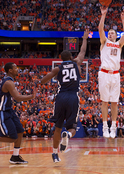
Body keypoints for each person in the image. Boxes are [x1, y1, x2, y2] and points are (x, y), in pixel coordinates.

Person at [40, 29, 89, 162]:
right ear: (71, 57)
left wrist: (40, 81)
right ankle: (67, 134)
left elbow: (44, 80)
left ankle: (55, 154)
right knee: (72, 126)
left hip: (61, 97)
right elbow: (83, 52)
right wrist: (84, 38)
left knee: (57, 127)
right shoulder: (77, 63)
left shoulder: (58, 68)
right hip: (73, 97)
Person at [0, 62, 36, 164]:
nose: (17, 69)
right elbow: (17, 98)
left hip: (9, 110)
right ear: (10, 70)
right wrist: (32, 96)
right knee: (12, 138)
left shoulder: (5, 80)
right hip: (2, 112)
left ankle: (15, 156)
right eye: (15, 68)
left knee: (20, 131)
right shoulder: (9, 82)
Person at [98, 6, 124, 138]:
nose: (110, 34)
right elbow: (100, 29)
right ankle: (105, 127)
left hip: (115, 74)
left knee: (114, 102)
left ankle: (113, 126)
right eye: (109, 33)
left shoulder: (118, 44)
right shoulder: (104, 42)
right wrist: (103, 15)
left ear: (116, 36)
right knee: (105, 102)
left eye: (112, 33)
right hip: (104, 73)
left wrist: (123, 20)